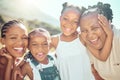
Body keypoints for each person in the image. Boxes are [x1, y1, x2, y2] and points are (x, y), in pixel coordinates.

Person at [51, 2, 94, 80]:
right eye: (66, 18)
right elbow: (35, 50)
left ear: (79, 24)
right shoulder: (54, 40)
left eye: (75, 21)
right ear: (60, 18)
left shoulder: (82, 37)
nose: (69, 24)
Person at [79, 7, 120, 80]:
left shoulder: (118, 40)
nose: (90, 36)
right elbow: (94, 69)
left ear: (108, 24)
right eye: (84, 30)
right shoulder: (85, 43)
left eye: (95, 28)